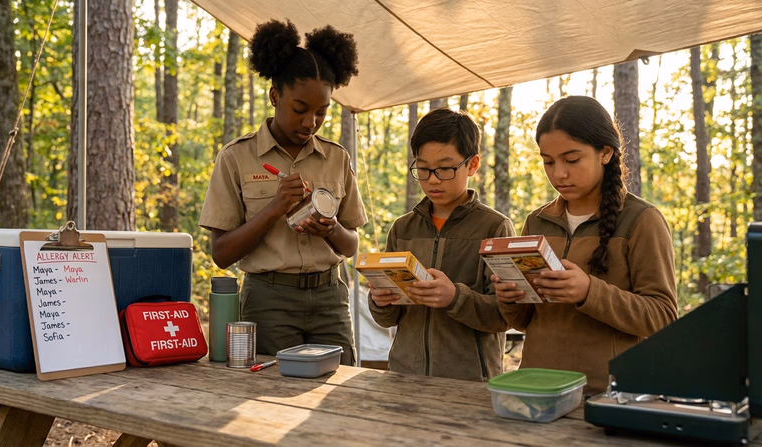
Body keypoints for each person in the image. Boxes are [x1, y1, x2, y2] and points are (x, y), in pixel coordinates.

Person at [199, 19, 367, 366]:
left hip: (330, 299)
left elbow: (351, 246)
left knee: (342, 392)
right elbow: (221, 253)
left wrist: (330, 227)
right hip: (268, 299)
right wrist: (274, 208)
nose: (310, 123)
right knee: (271, 399)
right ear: (275, 95)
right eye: (300, 109)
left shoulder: (337, 157)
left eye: (322, 112)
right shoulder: (236, 157)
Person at [492, 95, 678, 394]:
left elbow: (662, 317)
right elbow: (525, 321)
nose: (559, 173)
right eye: (548, 162)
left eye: (572, 159)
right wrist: (510, 297)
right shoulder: (537, 221)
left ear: (605, 153)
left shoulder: (642, 220)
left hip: (608, 395)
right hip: (537, 389)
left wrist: (588, 291)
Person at [368, 108, 515, 381]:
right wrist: (380, 302)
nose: (433, 179)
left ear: (472, 165)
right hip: (404, 376)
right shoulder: (403, 229)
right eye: (423, 169)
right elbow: (388, 318)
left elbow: (506, 315)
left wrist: (455, 298)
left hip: (468, 382)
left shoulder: (494, 228)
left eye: (445, 168)